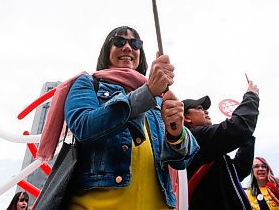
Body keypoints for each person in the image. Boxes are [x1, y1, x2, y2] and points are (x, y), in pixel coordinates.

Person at [63, 25, 199, 209]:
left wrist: (176, 133)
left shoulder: (160, 97)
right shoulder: (88, 83)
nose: (128, 47)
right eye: (119, 41)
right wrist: (147, 93)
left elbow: (181, 162)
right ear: (106, 51)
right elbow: (83, 127)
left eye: (135, 43)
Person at [182, 80, 259, 209]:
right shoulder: (194, 137)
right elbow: (237, 129)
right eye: (200, 108)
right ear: (186, 118)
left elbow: (239, 170)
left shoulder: (208, 145)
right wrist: (251, 96)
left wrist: (247, 137)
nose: (206, 111)